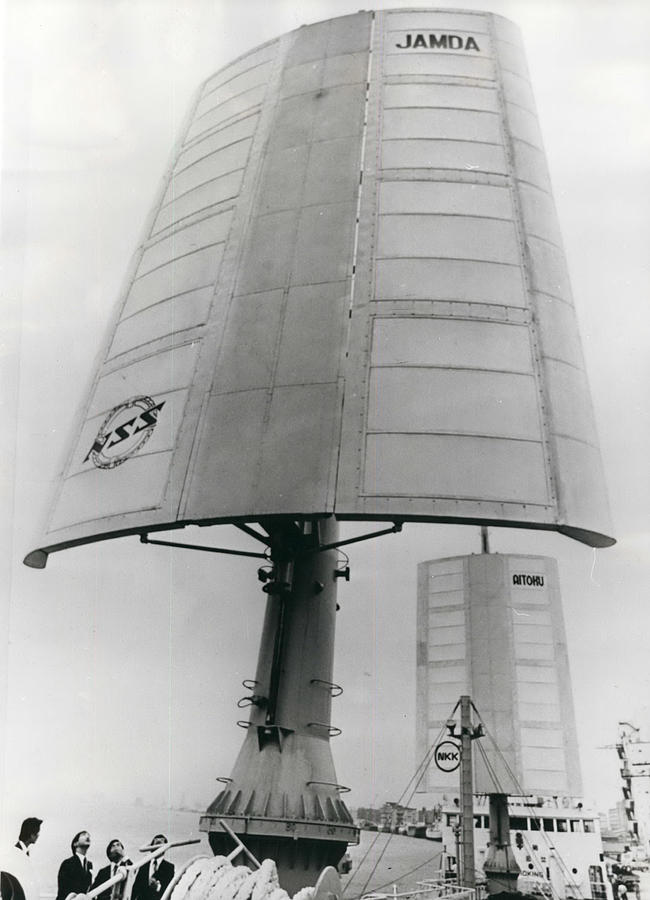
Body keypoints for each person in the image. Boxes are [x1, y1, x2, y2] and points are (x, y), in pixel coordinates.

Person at [131, 836, 174, 900]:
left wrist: (157, 887)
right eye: (156, 841)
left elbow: (170, 889)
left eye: (161, 841)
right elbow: (136, 888)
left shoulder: (169, 867)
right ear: (151, 847)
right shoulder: (143, 865)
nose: (158, 841)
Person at [56, 832, 93, 900]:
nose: (87, 837)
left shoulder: (89, 865)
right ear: (75, 843)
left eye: (88, 836)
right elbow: (63, 890)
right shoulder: (67, 863)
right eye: (83, 835)